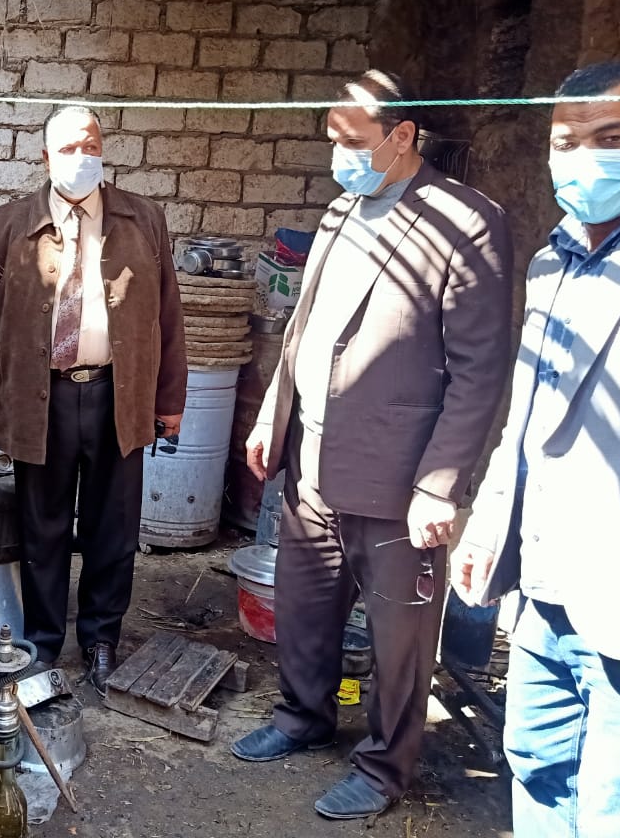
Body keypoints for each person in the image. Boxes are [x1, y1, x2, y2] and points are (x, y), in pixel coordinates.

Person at [231, 70, 513, 819]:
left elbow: (480, 371)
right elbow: (304, 329)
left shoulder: (467, 222)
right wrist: (271, 417)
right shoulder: (341, 212)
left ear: (403, 136)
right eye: (332, 138)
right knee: (305, 607)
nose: (339, 154)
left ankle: (385, 766)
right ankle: (303, 716)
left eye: (352, 140)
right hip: (313, 457)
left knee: (398, 637)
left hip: (399, 476)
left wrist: (440, 484)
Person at [0, 106, 187, 693]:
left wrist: (170, 397)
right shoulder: (7, 226)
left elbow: (168, 314)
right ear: (46, 158)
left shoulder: (143, 220)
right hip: (41, 399)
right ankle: (44, 642)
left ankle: (100, 640)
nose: (82, 158)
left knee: (113, 528)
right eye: (68, 149)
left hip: (119, 395)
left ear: (104, 148)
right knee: (42, 529)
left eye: (91, 145)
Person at [451, 60, 620, 837]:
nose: (583, 158)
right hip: (546, 581)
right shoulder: (550, 262)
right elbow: (529, 416)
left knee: (619, 803)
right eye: (565, 143)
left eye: (612, 138)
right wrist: (488, 525)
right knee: (537, 763)